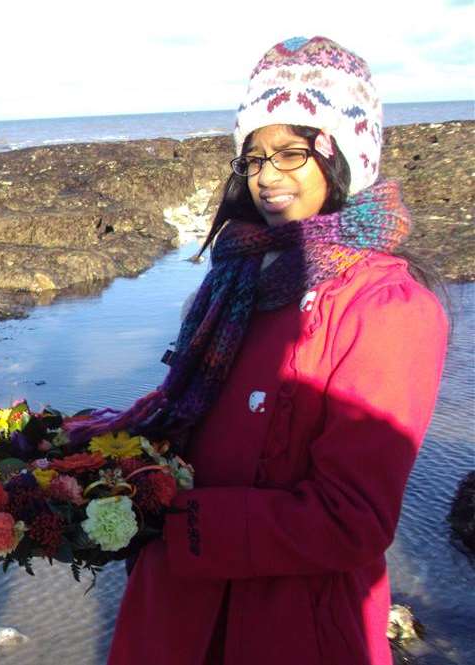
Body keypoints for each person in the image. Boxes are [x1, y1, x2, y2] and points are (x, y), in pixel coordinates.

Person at [68, 37, 448, 665]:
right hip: (174, 614)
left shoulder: (390, 308)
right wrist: (75, 447)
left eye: (292, 152)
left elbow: (352, 517)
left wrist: (180, 521)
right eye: (254, 157)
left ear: (347, 156)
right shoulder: (236, 278)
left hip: (292, 627)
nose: (267, 175)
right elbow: (182, 408)